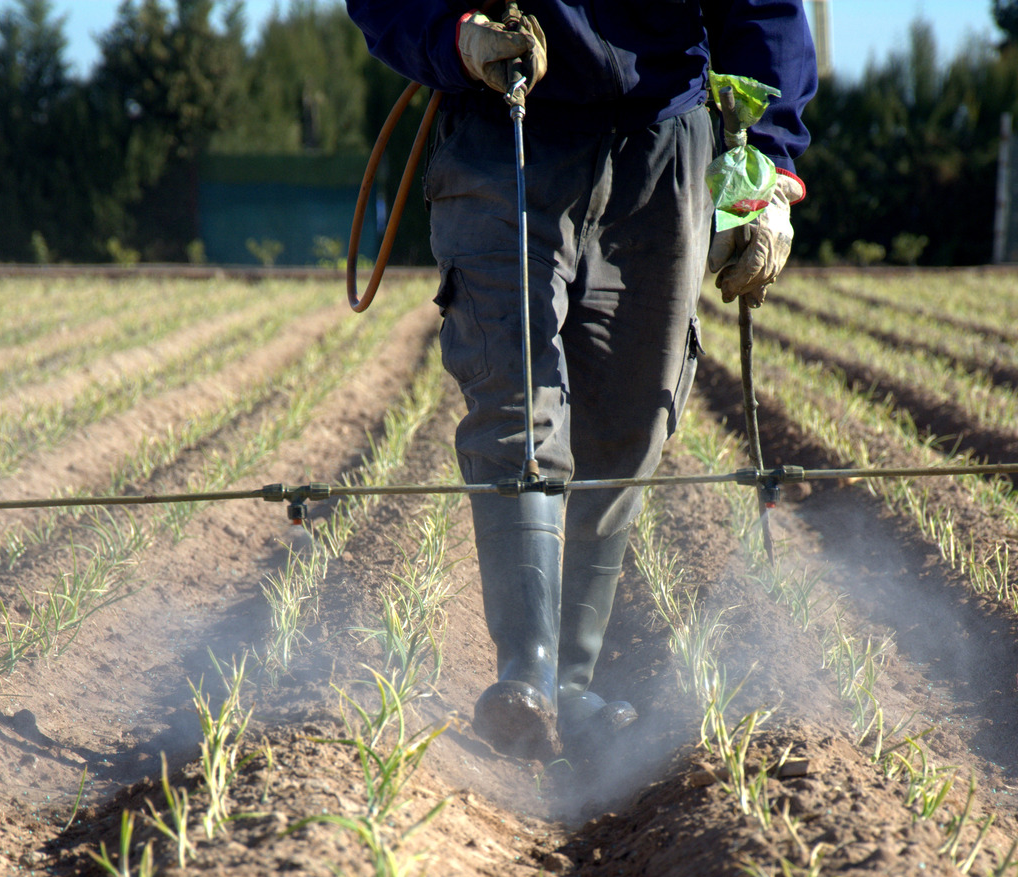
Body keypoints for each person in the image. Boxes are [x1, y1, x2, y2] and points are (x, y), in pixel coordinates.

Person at [346, 1, 816, 762]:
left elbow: (761, 6)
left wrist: (767, 162)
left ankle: (569, 680)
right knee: (512, 390)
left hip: (665, 143)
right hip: (505, 125)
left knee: (634, 418)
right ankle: (524, 674)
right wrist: (451, 37)